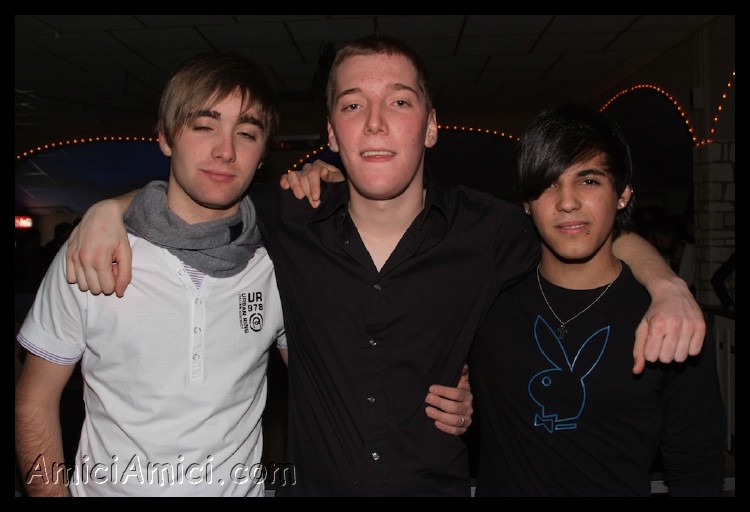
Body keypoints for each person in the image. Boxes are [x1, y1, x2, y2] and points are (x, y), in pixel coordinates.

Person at [65, 35, 704, 496]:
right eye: (352, 105)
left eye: (398, 102)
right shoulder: (288, 219)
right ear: (331, 133)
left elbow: (583, 227)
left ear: (430, 126)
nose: (374, 123)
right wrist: (112, 208)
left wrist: (667, 284)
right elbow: (199, 195)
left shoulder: (486, 231)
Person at [15, 49, 289, 497]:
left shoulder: (278, 263)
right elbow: (34, 400)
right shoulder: (94, 251)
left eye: (246, 133)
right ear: (165, 136)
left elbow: (331, 384)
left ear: (262, 155)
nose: (225, 150)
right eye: (204, 126)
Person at [469, 103, 727, 496]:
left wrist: (667, 286)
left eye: (588, 180)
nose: (567, 201)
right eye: (548, 183)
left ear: (622, 194)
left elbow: (697, 466)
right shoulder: (488, 300)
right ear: (526, 202)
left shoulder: (670, 319)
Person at [648, 215, 697, 296]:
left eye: (661, 239)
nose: (659, 243)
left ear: (670, 236)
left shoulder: (692, 252)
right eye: (657, 240)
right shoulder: (662, 257)